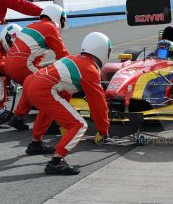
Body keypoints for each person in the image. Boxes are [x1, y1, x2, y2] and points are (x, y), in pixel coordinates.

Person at [9, 32, 111, 175]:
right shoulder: (89, 69)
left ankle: (35, 143)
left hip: (31, 82)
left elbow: (64, 93)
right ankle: (56, 162)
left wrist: (64, 119)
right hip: (41, 88)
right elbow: (98, 105)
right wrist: (103, 130)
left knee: (47, 110)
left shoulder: (72, 59)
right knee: (79, 125)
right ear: (103, 50)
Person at [4, 4, 69, 85]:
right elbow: (63, 56)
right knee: (56, 83)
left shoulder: (29, 26)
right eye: (62, 21)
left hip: (8, 66)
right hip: (23, 67)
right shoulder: (50, 28)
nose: (62, 24)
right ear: (57, 17)